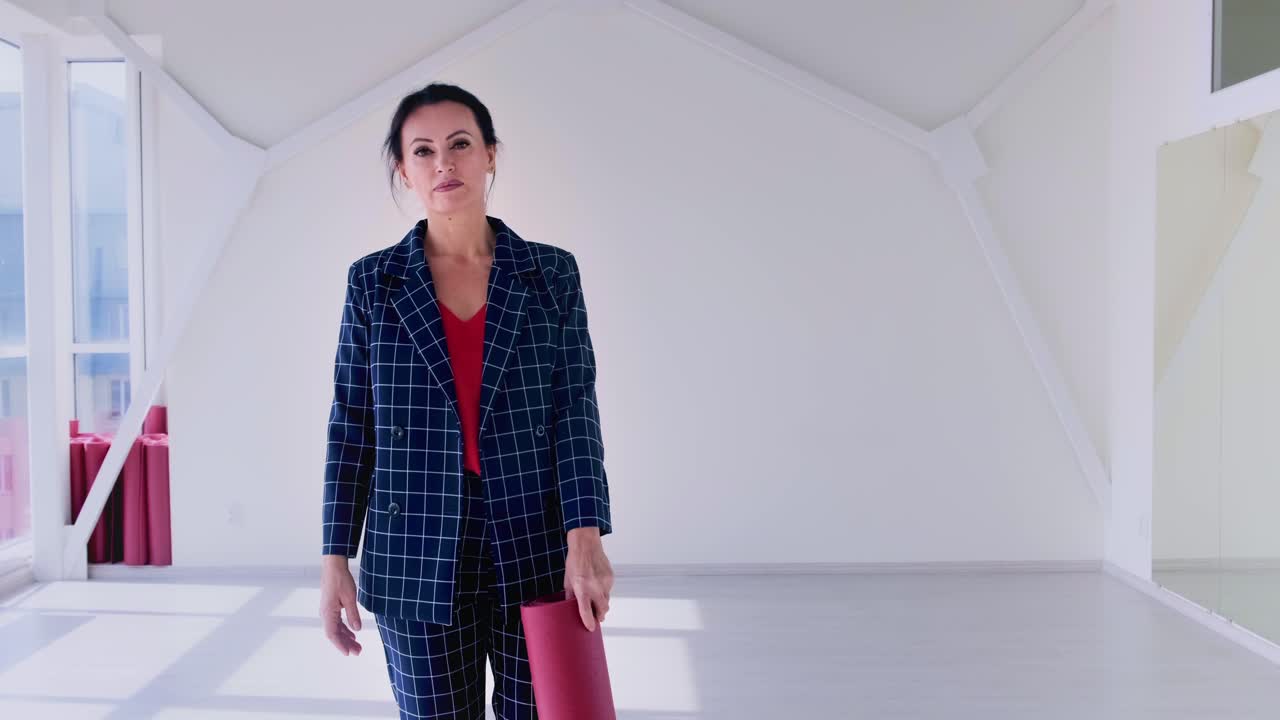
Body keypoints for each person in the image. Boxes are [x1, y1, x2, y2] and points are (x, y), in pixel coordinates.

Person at [318, 82, 615, 719]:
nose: (443, 163)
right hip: (413, 547)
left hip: (535, 542)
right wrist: (334, 559)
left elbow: (574, 411)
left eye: (460, 144)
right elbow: (351, 425)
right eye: (422, 151)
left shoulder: (549, 273)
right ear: (404, 169)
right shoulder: (373, 282)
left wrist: (585, 540)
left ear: (490, 155)